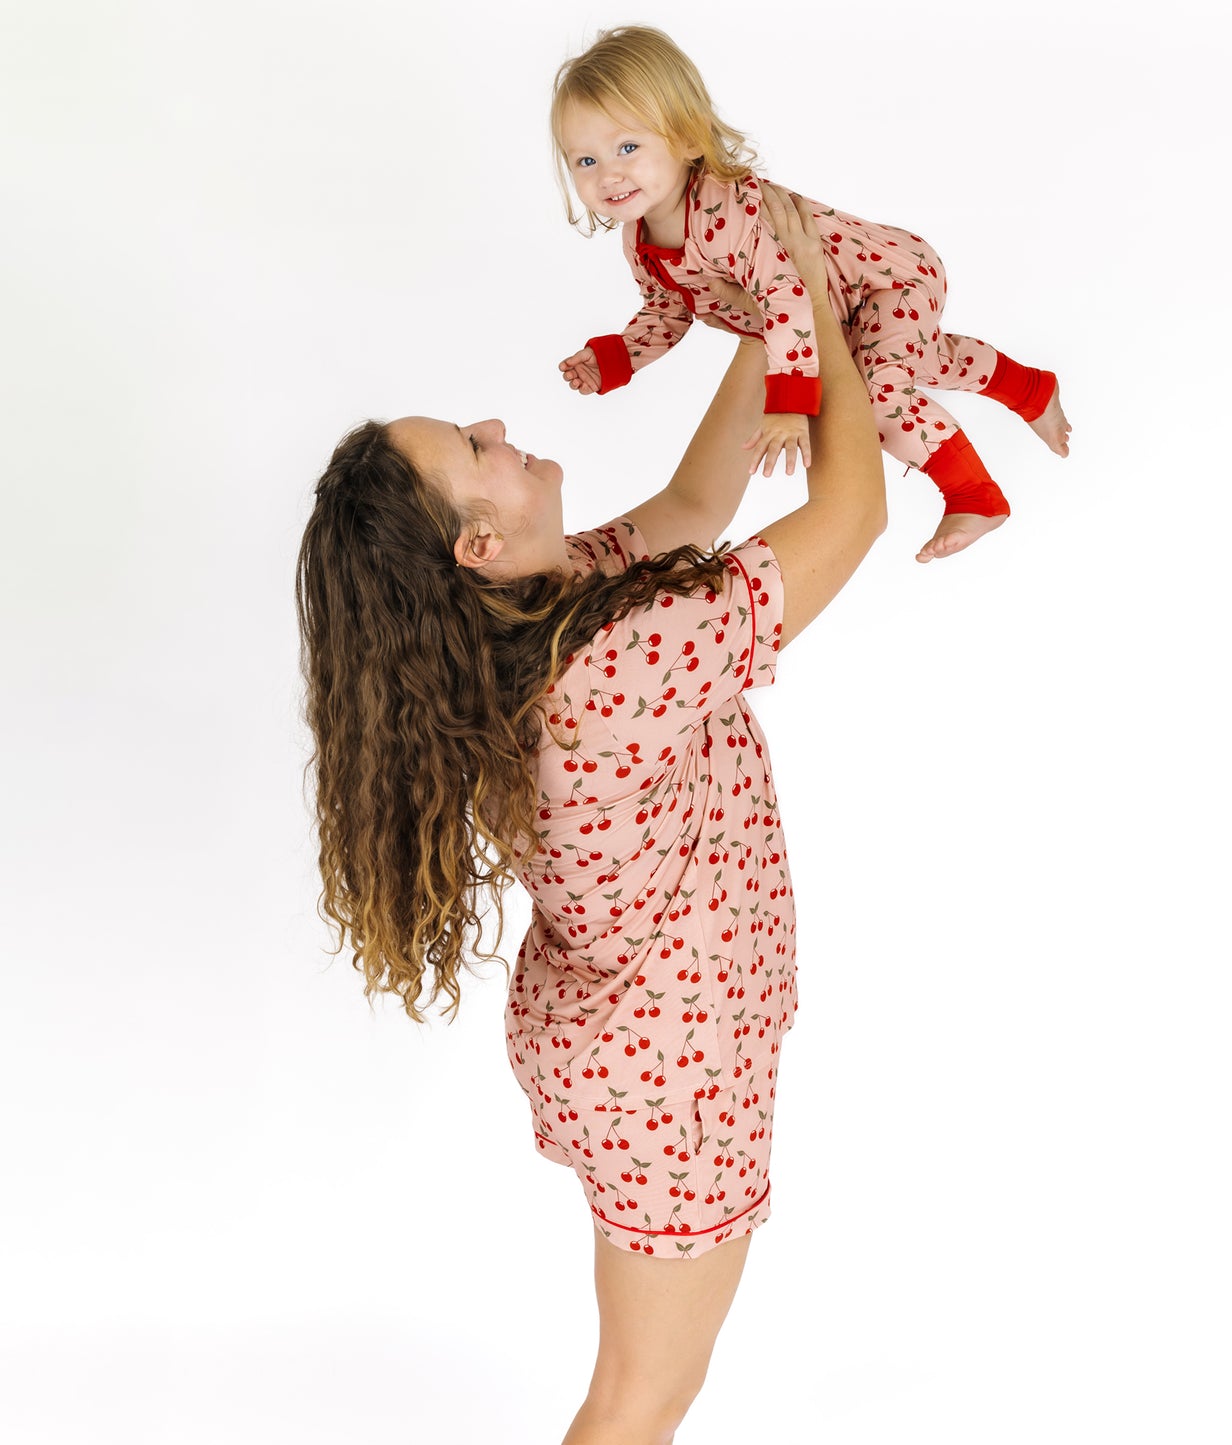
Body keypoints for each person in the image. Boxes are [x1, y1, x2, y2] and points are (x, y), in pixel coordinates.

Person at [296, 187, 885, 1444]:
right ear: (476, 545)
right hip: (669, 1068)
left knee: (641, 1388)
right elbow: (850, 518)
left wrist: (772, 312)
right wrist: (824, 318)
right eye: (474, 448)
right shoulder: (609, 664)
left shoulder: (547, 615)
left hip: (625, 1034)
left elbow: (690, 509)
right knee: (639, 1400)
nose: (501, 427)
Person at [552, 23, 1071, 564]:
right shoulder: (640, 240)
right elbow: (667, 310)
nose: (608, 175)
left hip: (888, 281)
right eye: (585, 161)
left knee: (878, 396)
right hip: (842, 308)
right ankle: (1031, 389)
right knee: (924, 360)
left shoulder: (724, 212)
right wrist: (616, 357)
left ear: (686, 138)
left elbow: (786, 300)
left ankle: (975, 497)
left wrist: (789, 403)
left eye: (627, 147)